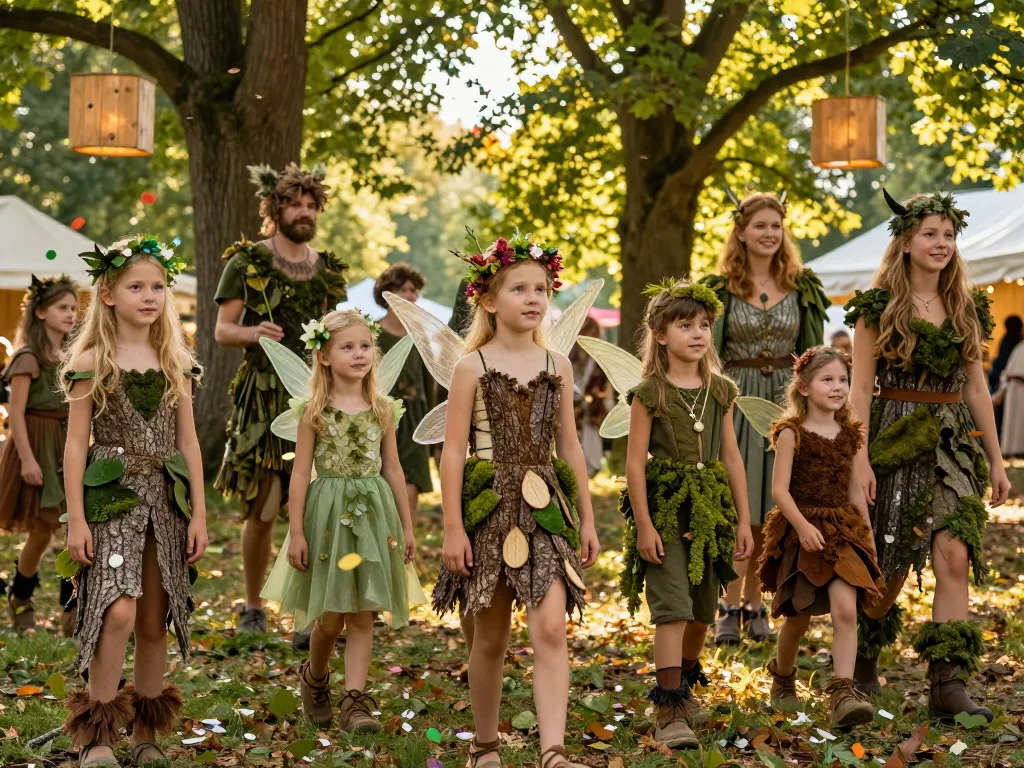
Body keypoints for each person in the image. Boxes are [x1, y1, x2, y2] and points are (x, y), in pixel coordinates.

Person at [436, 234, 599, 768]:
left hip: (546, 506)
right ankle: (485, 746)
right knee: (490, 635)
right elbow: (453, 454)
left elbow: (571, 446)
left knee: (551, 626)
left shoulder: (558, 364)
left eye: (542, 289)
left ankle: (553, 751)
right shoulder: (472, 368)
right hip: (490, 506)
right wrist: (453, 527)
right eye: (519, 289)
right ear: (488, 300)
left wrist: (587, 519)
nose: (534, 298)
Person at [846, 190, 1010, 720]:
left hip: (952, 443)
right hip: (893, 437)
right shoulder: (876, 310)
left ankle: (947, 685)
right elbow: (859, 391)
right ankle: (866, 654)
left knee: (954, 555)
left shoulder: (967, 306)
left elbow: (977, 389)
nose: (942, 243)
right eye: (930, 234)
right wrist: (859, 460)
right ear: (906, 241)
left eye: (949, 234)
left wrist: (998, 459)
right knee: (886, 565)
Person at [60, 235, 207, 767]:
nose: (150, 296)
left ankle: (145, 734)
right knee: (117, 610)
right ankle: (97, 734)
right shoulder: (92, 360)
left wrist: (200, 514)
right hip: (112, 499)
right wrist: (76, 518)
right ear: (108, 294)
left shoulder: (174, 360)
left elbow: (188, 443)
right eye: (137, 286)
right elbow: (76, 445)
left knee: (154, 616)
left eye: (159, 287)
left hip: (166, 502)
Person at [260, 310, 417, 732]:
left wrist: (406, 525)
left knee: (364, 612)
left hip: (373, 516)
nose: (359, 354)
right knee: (330, 618)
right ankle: (315, 677)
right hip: (327, 514)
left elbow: (394, 469)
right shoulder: (315, 410)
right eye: (347, 347)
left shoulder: (383, 408)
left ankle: (354, 703)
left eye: (365, 346)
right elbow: (299, 472)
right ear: (325, 356)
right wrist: (296, 531)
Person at [214, 162, 348, 640]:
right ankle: (253, 605)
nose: (304, 212)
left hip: (315, 397)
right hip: (264, 396)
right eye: (295, 203)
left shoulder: (328, 271)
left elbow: (340, 332)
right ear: (275, 208)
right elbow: (222, 330)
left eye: (311, 205)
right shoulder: (247, 262)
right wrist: (254, 331)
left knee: (314, 508)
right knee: (265, 509)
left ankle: (307, 613)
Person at [617, 279, 753, 748]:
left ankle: (688, 675)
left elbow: (732, 457)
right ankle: (669, 708)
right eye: (685, 325)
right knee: (672, 608)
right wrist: (645, 525)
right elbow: (634, 463)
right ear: (660, 334)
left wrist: (741, 517)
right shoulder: (649, 393)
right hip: (667, 509)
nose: (697, 334)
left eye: (704, 326)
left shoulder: (720, 391)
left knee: (700, 608)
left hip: (709, 509)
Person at [700, 191, 830, 645]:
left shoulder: (802, 286)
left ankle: (756, 604)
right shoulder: (718, 290)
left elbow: (813, 354)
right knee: (739, 505)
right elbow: (708, 353)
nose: (769, 234)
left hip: (783, 403)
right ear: (740, 230)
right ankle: (726, 603)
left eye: (776, 226)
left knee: (771, 509)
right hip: (735, 400)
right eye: (760, 226)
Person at [758, 347, 883, 729]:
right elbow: (780, 490)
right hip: (803, 529)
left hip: (842, 530)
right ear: (805, 387)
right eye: (827, 380)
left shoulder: (849, 435)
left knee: (846, 609)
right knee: (797, 618)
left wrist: (868, 535)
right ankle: (782, 676)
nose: (838, 387)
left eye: (843, 380)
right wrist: (801, 526)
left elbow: (854, 491)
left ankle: (843, 693)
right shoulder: (792, 433)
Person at [0, 275, 78, 633]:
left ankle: (72, 606)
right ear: (42, 312)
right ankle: (20, 596)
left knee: (75, 528)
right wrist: (28, 460)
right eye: (63, 307)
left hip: (67, 442)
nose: (72, 314)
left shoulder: (73, 356)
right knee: (42, 531)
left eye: (75, 308)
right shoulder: (28, 357)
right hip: (35, 445)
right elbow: (15, 413)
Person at [374, 263, 435, 515]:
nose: (411, 296)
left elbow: (428, 383)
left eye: (414, 291)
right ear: (388, 293)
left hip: (414, 419)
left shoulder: (420, 335)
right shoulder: (372, 333)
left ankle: (404, 551)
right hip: (380, 418)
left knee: (411, 485)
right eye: (404, 290)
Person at [570, 316, 612, 477]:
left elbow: (604, 384)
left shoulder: (600, 357)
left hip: (593, 404)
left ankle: (590, 469)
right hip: (574, 402)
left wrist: (605, 401)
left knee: (592, 436)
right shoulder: (571, 355)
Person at [988, 315, 1022, 438]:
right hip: (1013, 385)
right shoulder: (1020, 341)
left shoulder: (1008, 341)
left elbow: (1001, 363)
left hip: (1006, 385)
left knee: (1005, 418)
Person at [992, 334, 1024, 457]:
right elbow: (1007, 372)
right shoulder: (1019, 347)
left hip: (1018, 389)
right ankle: (1010, 450)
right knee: (1012, 420)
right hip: (1012, 389)